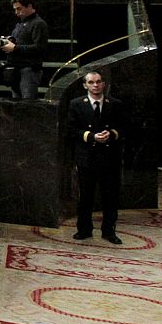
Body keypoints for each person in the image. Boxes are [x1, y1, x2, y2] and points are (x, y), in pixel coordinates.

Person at [68, 71, 127, 244]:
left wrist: (111, 134)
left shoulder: (115, 104)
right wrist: (92, 136)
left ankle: (109, 231)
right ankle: (84, 230)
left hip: (109, 158)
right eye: (91, 82)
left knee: (110, 196)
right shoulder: (76, 104)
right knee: (86, 196)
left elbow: (124, 127)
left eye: (99, 82)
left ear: (104, 84)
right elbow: (71, 130)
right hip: (87, 158)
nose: (95, 85)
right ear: (85, 85)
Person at [0, 0, 48, 100]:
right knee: (16, 103)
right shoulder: (20, 24)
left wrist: (15, 48)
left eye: (19, 9)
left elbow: (40, 47)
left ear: (29, 6)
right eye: (15, 9)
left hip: (29, 70)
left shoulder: (38, 24)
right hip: (16, 69)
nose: (16, 12)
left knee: (27, 104)